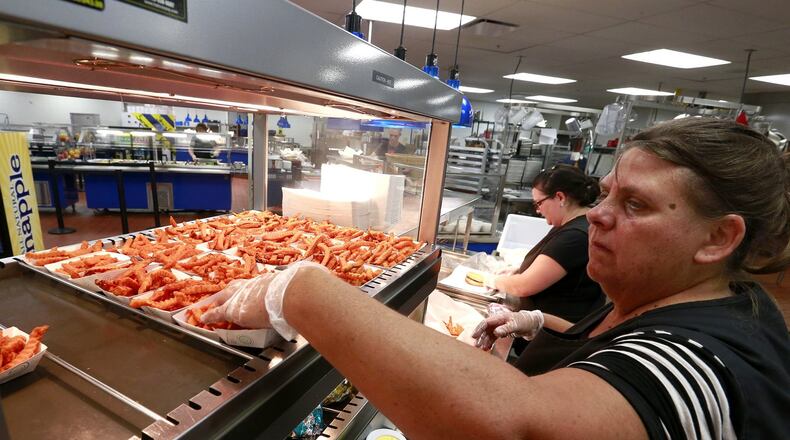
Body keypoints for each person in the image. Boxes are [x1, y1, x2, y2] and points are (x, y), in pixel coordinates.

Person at [203, 118, 790, 439]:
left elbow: (520, 428)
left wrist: (301, 289)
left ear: (719, 238)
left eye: (636, 205)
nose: (601, 216)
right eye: (608, 193)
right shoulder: (674, 302)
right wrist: (538, 322)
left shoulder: (708, 359)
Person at [486, 165, 605, 323]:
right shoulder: (570, 225)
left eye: (538, 203)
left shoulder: (575, 236)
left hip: (555, 334)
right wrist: (520, 270)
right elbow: (556, 267)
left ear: (560, 198)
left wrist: (491, 280)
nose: (538, 210)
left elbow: (523, 286)